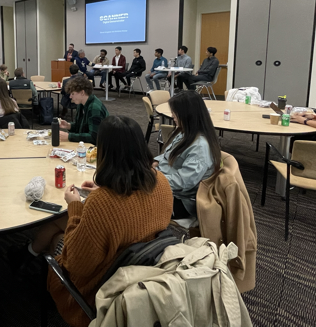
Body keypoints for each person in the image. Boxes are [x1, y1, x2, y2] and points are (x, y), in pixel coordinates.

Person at [13, 116, 173, 327]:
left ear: (106, 152)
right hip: (148, 263)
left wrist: (75, 206)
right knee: (58, 221)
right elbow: (134, 210)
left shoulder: (102, 203)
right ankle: (27, 254)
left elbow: (77, 265)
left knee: (58, 237)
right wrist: (99, 193)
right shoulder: (161, 181)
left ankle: (29, 263)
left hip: (106, 284)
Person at [155, 90, 221, 219]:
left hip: (181, 200)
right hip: (166, 184)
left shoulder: (200, 146)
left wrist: (151, 179)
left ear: (187, 114)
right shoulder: (185, 132)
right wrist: (154, 163)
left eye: (175, 112)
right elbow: (166, 155)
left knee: (129, 202)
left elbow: (183, 182)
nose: (172, 115)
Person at [59, 76, 108, 145]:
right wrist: (69, 126)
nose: (70, 97)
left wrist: (69, 136)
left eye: (72, 94)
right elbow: (82, 127)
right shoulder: (82, 104)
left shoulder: (94, 108)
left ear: (82, 93)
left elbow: (94, 137)